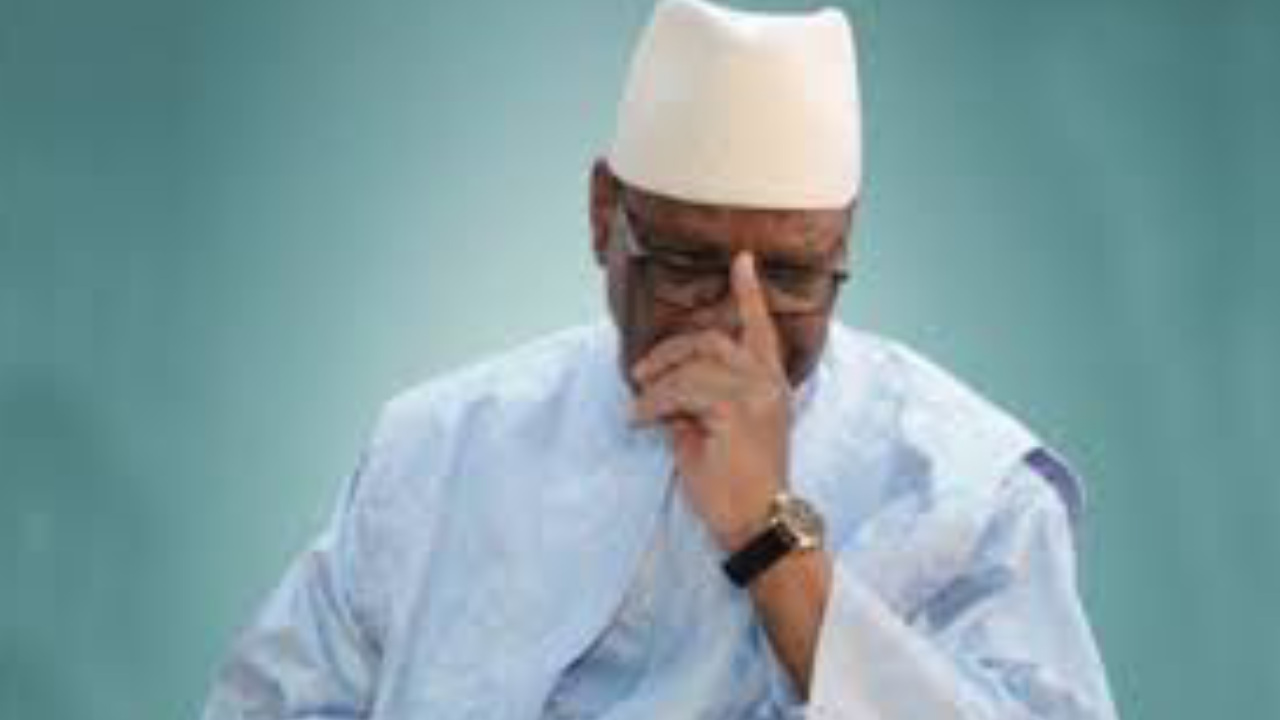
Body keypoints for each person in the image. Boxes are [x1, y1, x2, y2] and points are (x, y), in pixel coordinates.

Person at [201, 0, 1120, 718]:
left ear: (843, 244)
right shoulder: (439, 450)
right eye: (688, 265)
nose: (737, 324)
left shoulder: (973, 492)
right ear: (606, 216)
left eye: (791, 276)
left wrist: (770, 535)